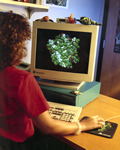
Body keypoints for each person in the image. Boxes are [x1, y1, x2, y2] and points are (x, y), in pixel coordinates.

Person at [0, 11, 105, 150]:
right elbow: (48, 126)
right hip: (21, 145)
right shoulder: (22, 79)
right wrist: (83, 125)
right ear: (14, 46)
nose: (24, 50)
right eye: (23, 44)